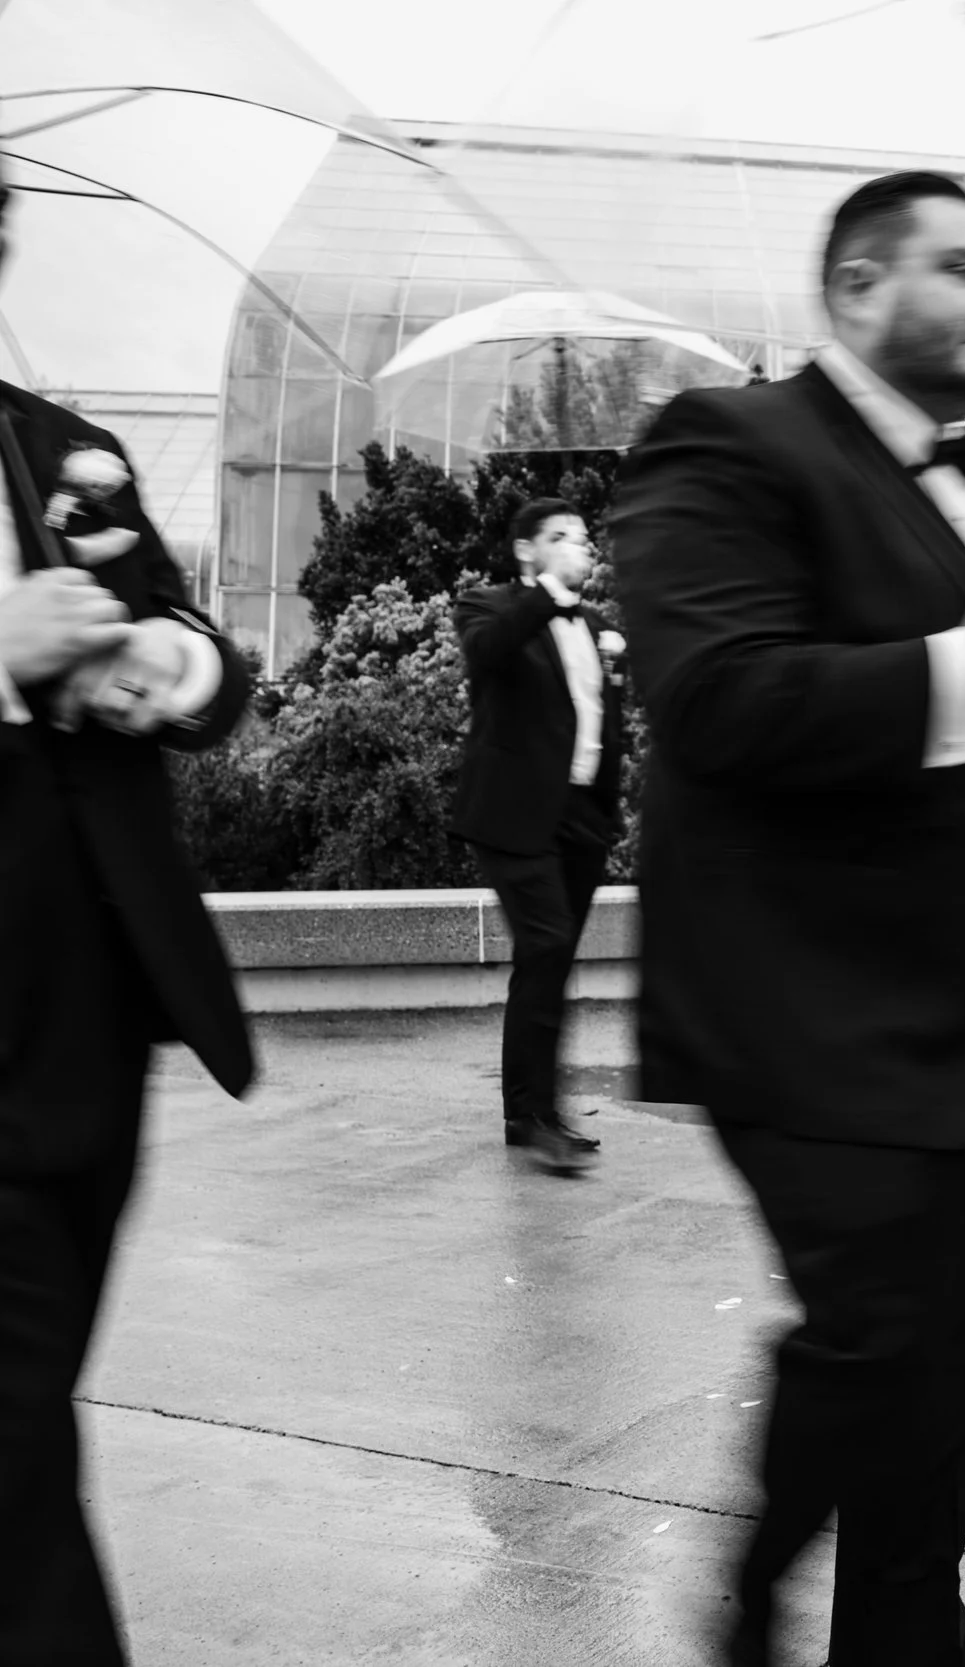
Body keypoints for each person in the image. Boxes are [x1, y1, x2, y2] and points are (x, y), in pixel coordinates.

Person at [612, 170, 965, 1667]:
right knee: (877, 1330)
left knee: (945, 1374)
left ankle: (905, 1626)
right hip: (808, 1011)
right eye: (955, 267)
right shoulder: (728, 445)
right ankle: (754, 1593)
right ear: (859, 287)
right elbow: (717, 698)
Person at [0, 188, 257, 1662]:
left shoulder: (53, 443)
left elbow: (210, 662)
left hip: (89, 1030)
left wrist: (159, 659)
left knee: (30, 1411)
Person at [452, 498, 626, 1175]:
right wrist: (547, 592)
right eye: (560, 537)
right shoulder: (490, 606)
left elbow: (603, 723)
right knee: (548, 943)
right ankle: (533, 1114)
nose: (579, 547)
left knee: (547, 958)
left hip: (581, 819)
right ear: (527, 551)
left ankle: (530, 1111)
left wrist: (606, 814)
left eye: (582, 537)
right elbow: (485, 655)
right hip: (512, 814)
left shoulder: (597, 624)